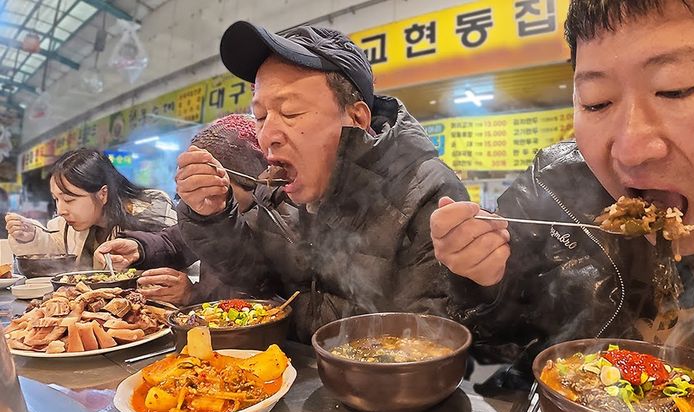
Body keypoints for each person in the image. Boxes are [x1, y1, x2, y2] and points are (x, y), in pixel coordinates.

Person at [431, 0, 694, 412]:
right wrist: (480, 282)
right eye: (596, 102)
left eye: (675, 89)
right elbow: (490, 353)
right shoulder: (554, 185)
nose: (630, 150)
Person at [175, 22, 469, 341]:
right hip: (287, 376)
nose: (267, 136)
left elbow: (429, 338)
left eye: (290, 112)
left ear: (356, 118)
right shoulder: (277, 190)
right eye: (260, 117)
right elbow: (253, 275)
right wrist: (212, 216)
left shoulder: (428, 191)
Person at [95, 114, 274, 305]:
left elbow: (265, 294)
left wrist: (194, 295)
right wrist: (139, 249)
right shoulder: (208, 214)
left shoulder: (275, 222)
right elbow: (175, 242)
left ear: (250, 179)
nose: (202, 196)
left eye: (210, 182)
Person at [6, 148, 176, 268]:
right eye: (56, 199)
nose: (61, 210)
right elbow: (57, 251)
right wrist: (31, 237)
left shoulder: (151, 210)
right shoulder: (67, 225)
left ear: (102, 194)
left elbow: (172, 253)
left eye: (69, 199)